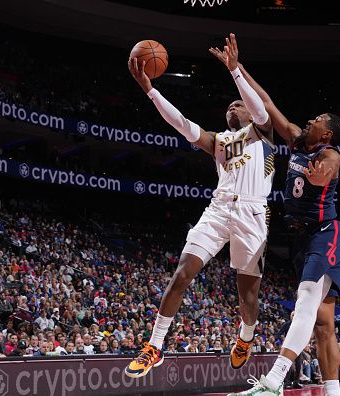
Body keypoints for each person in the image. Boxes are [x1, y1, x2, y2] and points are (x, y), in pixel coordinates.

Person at [125, 33, 274, 379]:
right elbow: (180, 123)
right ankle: (155, 346)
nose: (233, 108)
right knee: (182, 273)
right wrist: (150, 90)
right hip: (219, 209)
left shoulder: (263, 132)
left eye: (237, 105)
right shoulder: (219, 141)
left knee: (247, 298)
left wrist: (236, 72)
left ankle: (246, 337)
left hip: (253, 214)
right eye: (230, 107)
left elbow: (260, 109)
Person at [211, 36, 340, 396]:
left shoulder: (330, 153)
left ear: (327, 133)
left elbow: (330, 167)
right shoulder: (298, 141)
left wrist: (323, 175)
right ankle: (333, 392)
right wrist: (236, 68)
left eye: (317, 120)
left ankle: (274, 381)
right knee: (323, 324)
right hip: (301, 238)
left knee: (305, 299)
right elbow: (268, 104)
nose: (309, 120)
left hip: (326, 234)